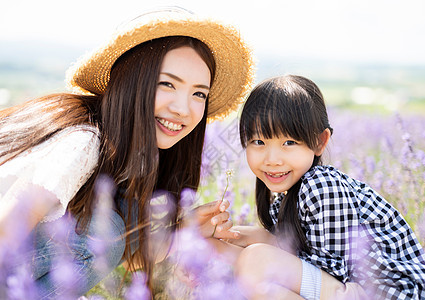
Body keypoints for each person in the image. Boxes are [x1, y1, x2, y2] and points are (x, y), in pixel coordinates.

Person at [0, 7, 254, 298]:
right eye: (167, 84)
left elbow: (126, 255)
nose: (183, 109)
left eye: (199, 93)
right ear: (134, 82)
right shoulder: (82, 143)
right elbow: (6, 234)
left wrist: (183, 232)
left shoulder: (138, 155)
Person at [222, 75, 425, 299]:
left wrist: (253, 254)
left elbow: (331, 272)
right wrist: (228, 237)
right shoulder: (287, 199)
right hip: (354, 290)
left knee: (256, 260)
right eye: (259, 142)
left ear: (319, 142)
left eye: (289, 143)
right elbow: (291, 250)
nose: (272, 159)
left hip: (394, 293)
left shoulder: (321, 187)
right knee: (234, 256)